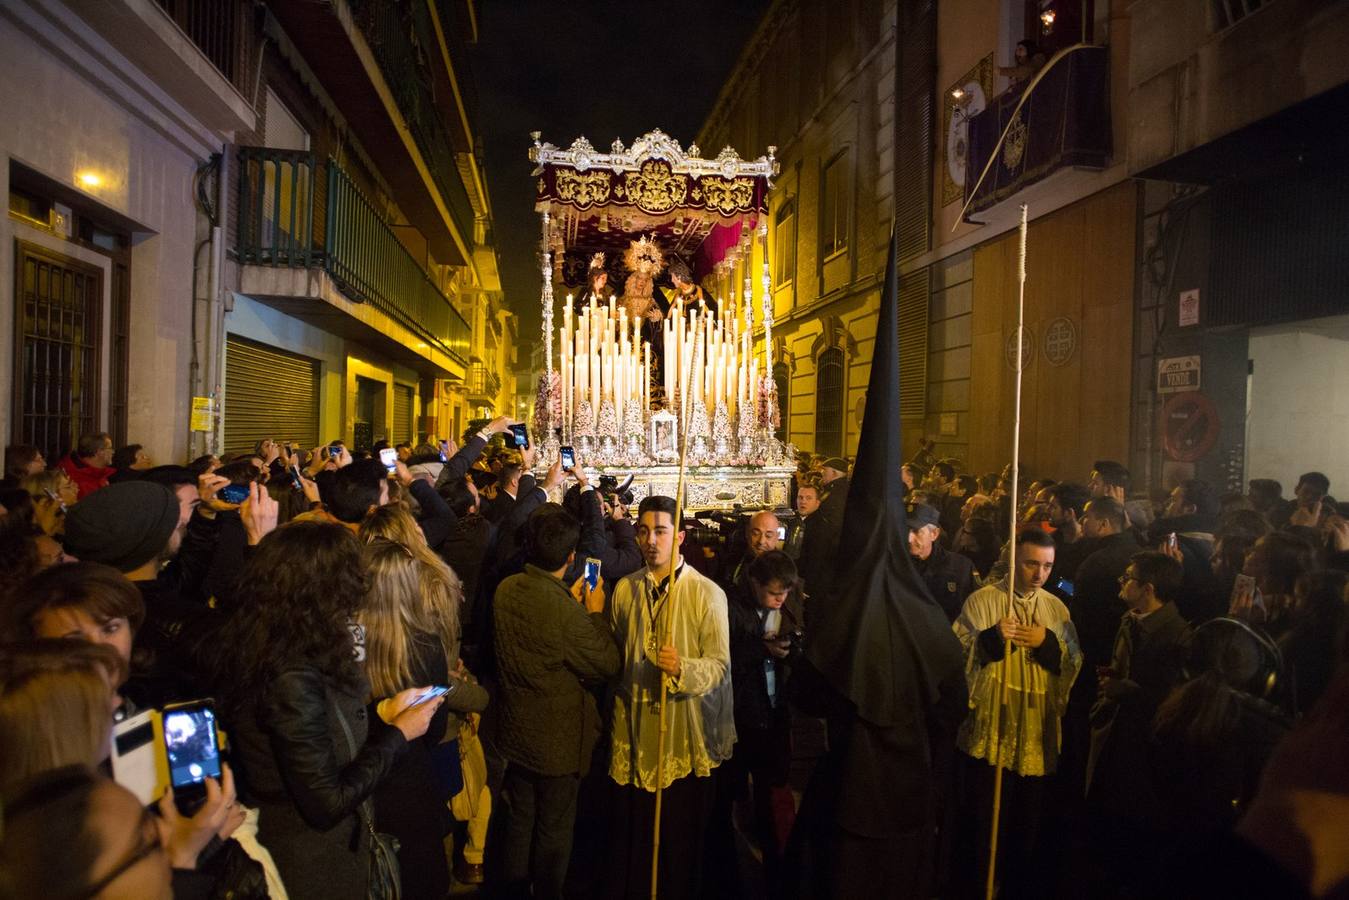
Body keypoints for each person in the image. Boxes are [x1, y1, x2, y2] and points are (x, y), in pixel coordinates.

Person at [209, 521, 444, 899]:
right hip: (310, 860)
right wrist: (399, 733)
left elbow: (327, 731)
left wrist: (381, 712)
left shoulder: (289, 641)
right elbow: (326, 801)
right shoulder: (288, 675)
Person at [603, 495, 733, 900]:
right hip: (634, 729)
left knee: (675, 844)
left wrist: (682, 668)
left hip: (680, 730)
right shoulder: (625, 589)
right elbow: (615, 654)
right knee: (636, 839)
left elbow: (719, 667)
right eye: (643, 531)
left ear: (679, 536)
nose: (650, 541)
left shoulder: (706, 594)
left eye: (660, 531)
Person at [359, 505, 490, 898]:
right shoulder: (418, 642)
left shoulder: (349, 639)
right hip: (415, 763)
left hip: (381, 772)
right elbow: (432, 719)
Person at [491, 504, 620, 899]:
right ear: (569, 557)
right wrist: (594, 613)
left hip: (515, 729)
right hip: (557, 740)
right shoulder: (566, 612)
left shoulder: (507, 588)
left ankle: (515, 886)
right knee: (554, 826)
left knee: (520, 816)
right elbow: (606, 662)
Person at [952, 528, 1083, 899]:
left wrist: (1049, 645)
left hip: (1034, 728)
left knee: (1026, 828)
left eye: (1047, 566)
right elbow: (956, 657)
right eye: (1031, 564)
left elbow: (1073, 664)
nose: (1039, 574)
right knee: (983, 824)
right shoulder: (982, 601)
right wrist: (990, 641)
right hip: (992, 727)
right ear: (1014, 561)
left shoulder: (1057, 608)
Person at [1085, 552, 1192, 886]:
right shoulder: (1131, 620)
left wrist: (1126, 690)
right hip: (1113, 733)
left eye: (1128, 577)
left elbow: (1172, 701)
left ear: (1147, 589)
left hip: (1140, 752)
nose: (1122, 582)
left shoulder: (1178, 638)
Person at [713, 550, 804, 897]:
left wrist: (791, 650)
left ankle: (777, 875)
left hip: (773, 716)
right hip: (739, 719)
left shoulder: (787, 607)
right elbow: (724, 657)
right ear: (754, 583)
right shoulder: (730, 607)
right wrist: (761, 650)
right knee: (728, 801)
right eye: (773, 594)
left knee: (771, 802)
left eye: (784, 594)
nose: (780, 600)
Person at [907, 501, 975, 622]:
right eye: (905, 529)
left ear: (934, 534)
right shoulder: (893, 565)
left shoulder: (960, 568)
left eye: (916, 531)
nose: (909, 538)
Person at [59, 432, 117, 499]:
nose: (113, 452)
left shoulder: (99, 473)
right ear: (99, 452)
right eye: (110, 448)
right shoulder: (75, 479)